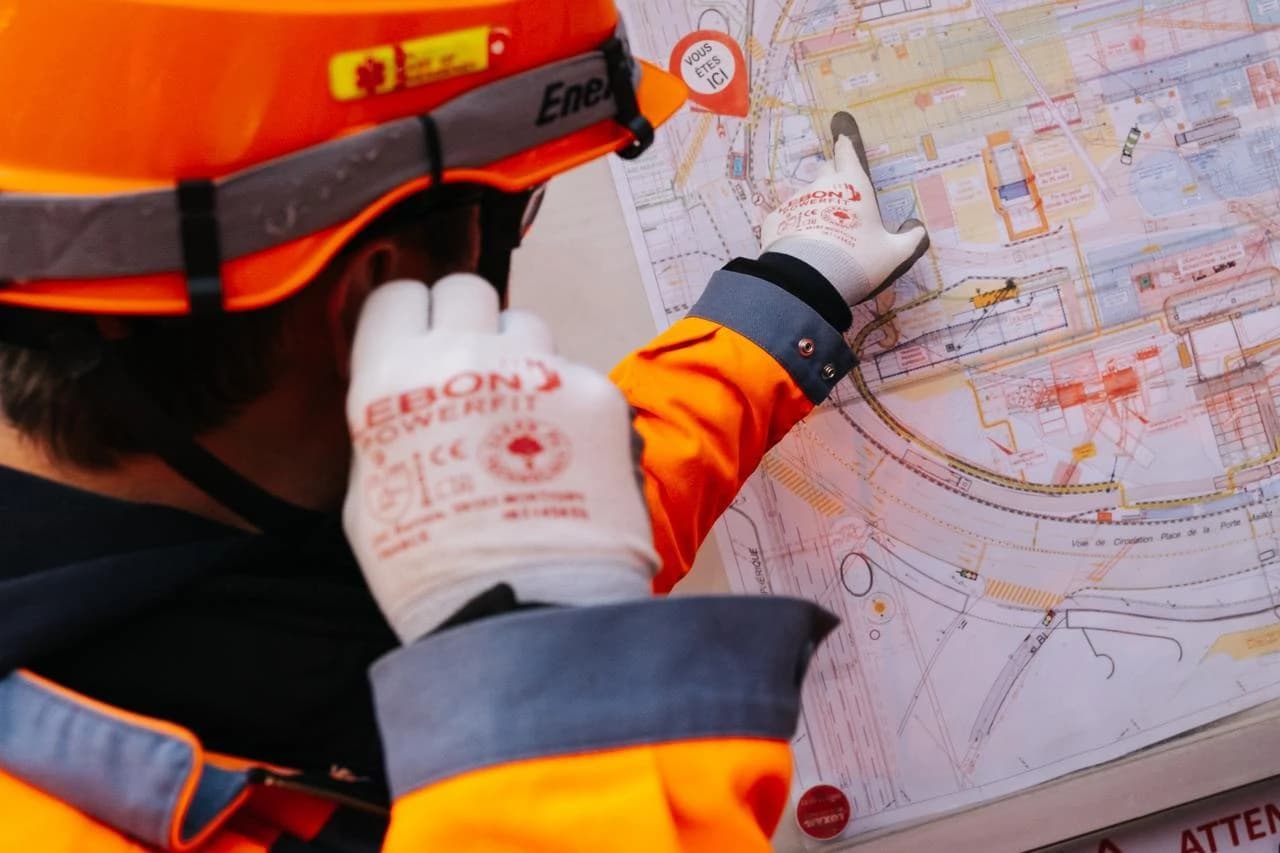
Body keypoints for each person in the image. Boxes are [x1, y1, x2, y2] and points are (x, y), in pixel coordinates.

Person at [0, 0, 928, 849]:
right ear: (377, 289)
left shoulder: (204, 565)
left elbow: (549, 508)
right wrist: (546, 694)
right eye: (520, 205)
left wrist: (788, 293)